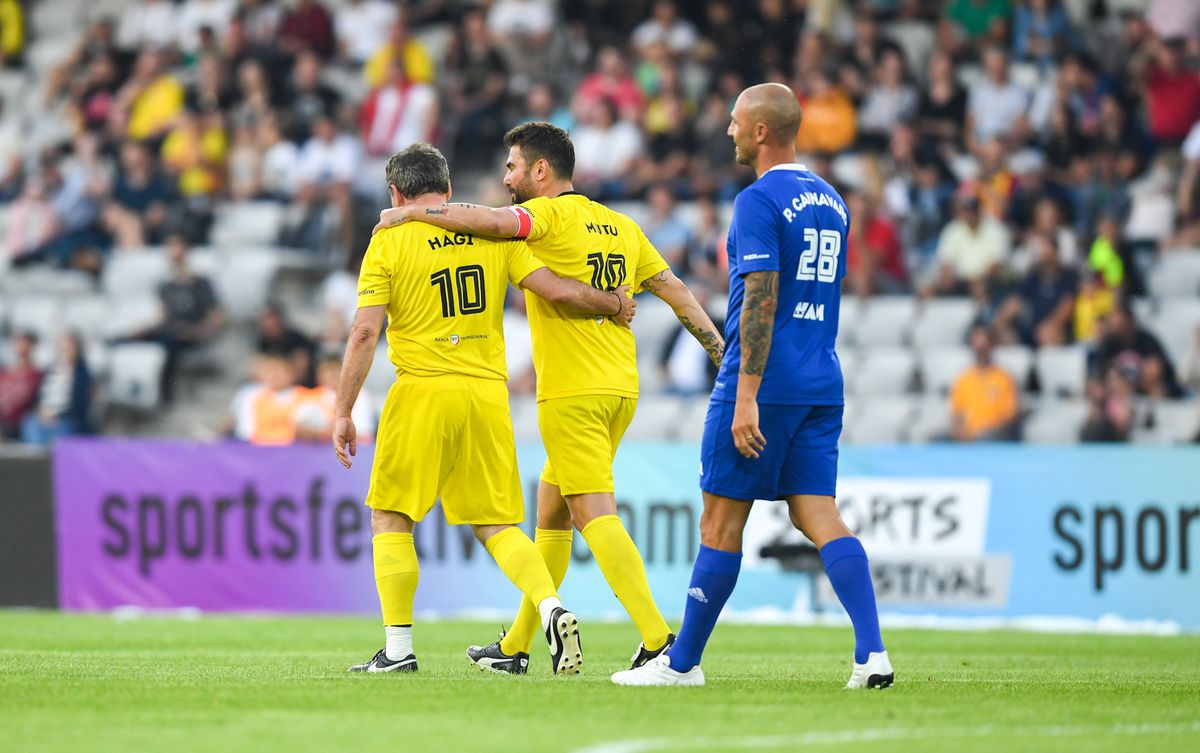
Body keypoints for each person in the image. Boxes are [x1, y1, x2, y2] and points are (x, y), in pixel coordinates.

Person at [374, 122, 724, 675]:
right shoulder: (620, 225)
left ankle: (661, 644)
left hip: (573, 390)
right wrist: (719, 349)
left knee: (592, 512)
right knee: (551, 511)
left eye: (512, 167)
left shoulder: (546, 218)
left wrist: (411, 212)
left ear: (540, 170)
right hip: (620, 386)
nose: (506, 177)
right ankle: (515, 646)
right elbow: (676, 290)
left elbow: (490, 223)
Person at [611, 83, 891, 689]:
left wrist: (744, 395)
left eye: (736, 122)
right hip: (821, 377)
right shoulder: (833, 200)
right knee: (817, 513)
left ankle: (681, 664)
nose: (729, 131)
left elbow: (762, 298)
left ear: (762, 131)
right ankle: (872, 655)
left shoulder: (757, 201)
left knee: (719, 523)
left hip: (764, 382)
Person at [334, 143, 637, 674]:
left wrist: (342, 409)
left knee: (392, 517)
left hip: (423, 391)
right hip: (487, 394)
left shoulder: (389, 240)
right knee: (497, 525)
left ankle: (399, 652)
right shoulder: (490, 235)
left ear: (396, 194)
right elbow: (556, 291)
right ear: (448, 191)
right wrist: (613, 303)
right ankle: (550, 606)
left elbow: (364, 331)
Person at [950, 324, 1020, 441]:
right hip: (968, 434)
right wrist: (960, 432)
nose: (980, 346)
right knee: (936, 439)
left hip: (992, 435)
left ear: (992, 344)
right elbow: (956, 413)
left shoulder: (1003, 377)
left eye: (984, 341)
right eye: (977, 342)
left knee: (988, 437)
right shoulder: (964, 378)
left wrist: (981, 433)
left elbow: (1010, 415)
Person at [20, 332, 92, 445]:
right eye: (63, 348)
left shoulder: (82, 373)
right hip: (43, 417)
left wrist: (57, 416)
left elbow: (80, 402)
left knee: (64, 430)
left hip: (66, 419)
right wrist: (41, 412)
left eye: (69, 348)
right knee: (30, 424)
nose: (66, 351)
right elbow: (38, 397)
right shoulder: (50, 371)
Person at [0, 332, 43, 440]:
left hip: (23, 424)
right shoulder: (4, 374)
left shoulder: (37, 375)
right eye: (19, 345)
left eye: (26, 346)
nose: (22, 350)